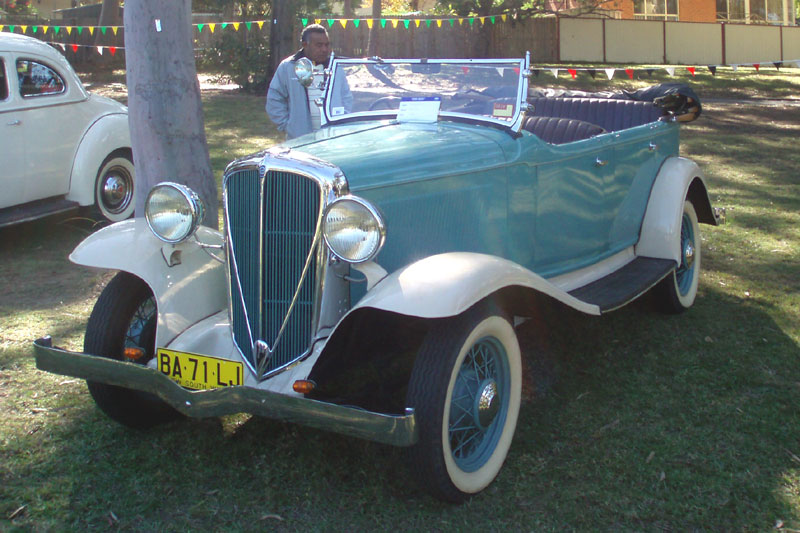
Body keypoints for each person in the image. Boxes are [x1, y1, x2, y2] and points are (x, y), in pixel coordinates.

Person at [266, 24, 351, 139]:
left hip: (332, 137)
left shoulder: (335, 67)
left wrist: (342, 121)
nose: (324, 49)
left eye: (327, 45)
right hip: (300, 138)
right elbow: (274, 98)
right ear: (305, 45)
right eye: (319, 45)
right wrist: (288, 126)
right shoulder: (288, 67)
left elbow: (346, 97)